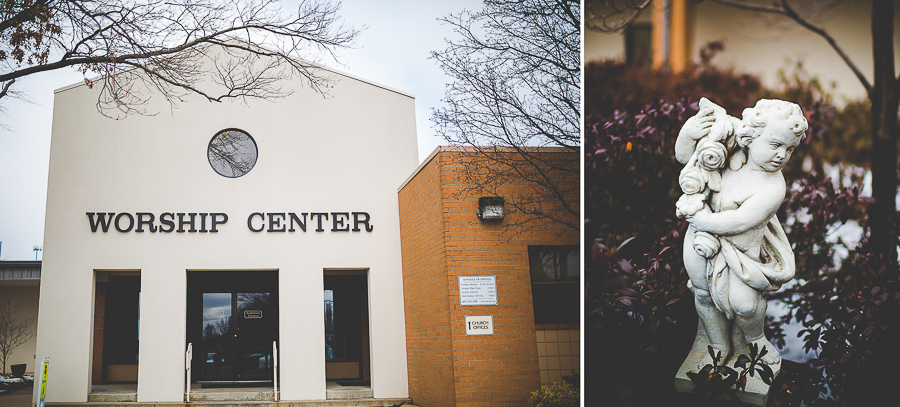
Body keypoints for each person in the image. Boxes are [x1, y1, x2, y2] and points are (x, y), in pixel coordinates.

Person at [676, 99, 807, 368]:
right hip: (700, 240)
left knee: (745, 305)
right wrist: (690, 132)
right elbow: (684, 156)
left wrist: (701, 219)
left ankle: (755, 338)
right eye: (775, 145)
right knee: (702, 294)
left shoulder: (773, 186)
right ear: (752, 136)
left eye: (789, 148)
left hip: (740, 251)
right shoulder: (731, 142)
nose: (782, 154)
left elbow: (739, 220)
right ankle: (717, 343)